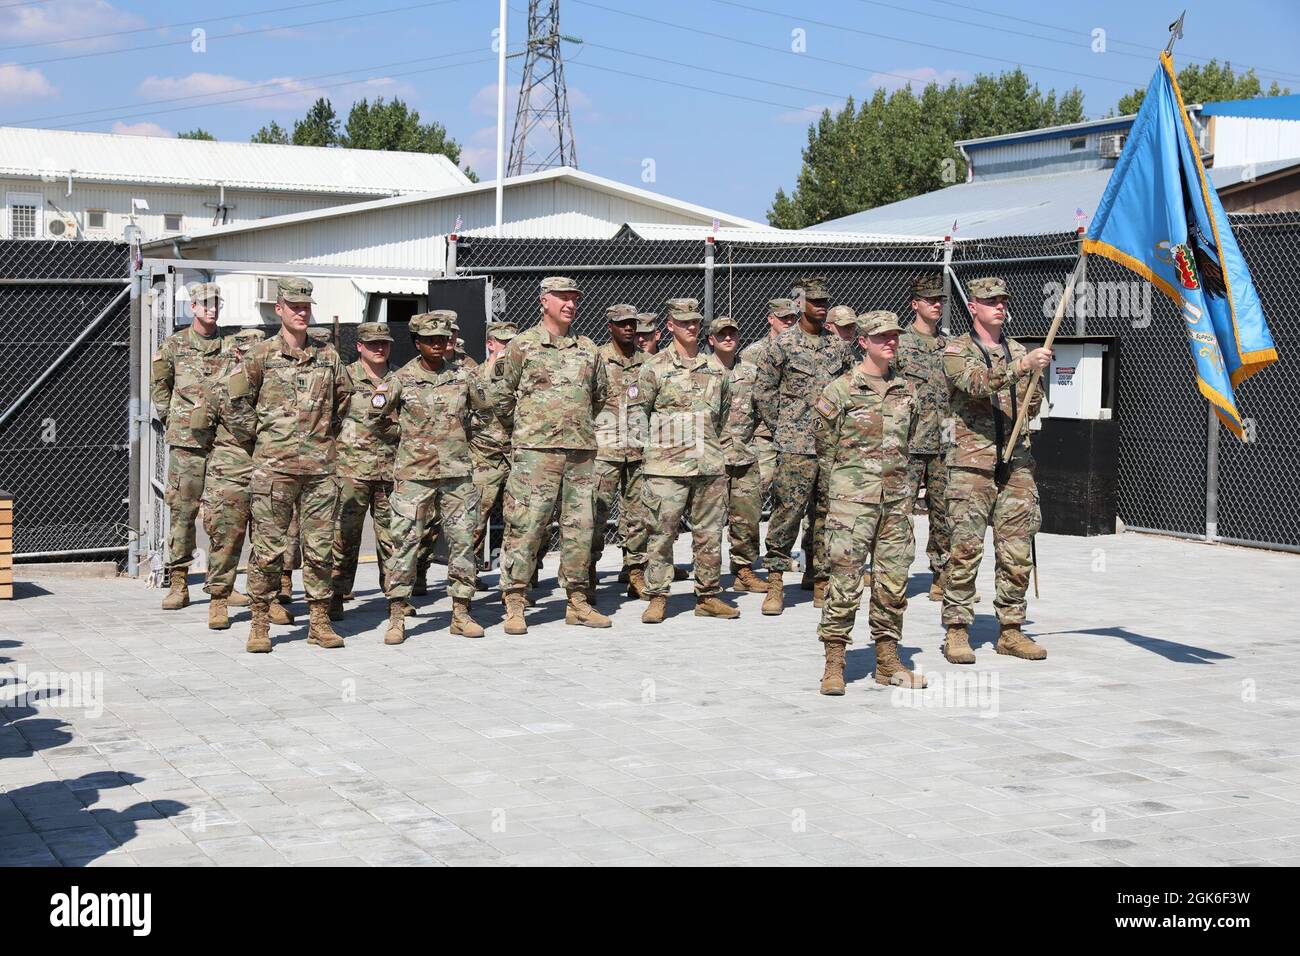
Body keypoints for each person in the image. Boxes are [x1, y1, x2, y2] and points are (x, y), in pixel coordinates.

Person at [229, 277, 349, 653]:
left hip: (319, 471)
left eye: (306, 306)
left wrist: (323, 437)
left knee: (320, 547)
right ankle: (260, 623)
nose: (301, 312)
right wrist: (264, 438)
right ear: (278, 309)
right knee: (268, 548)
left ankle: (319, 621)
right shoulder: (261, 355)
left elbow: (344, 399)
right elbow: (235, 404)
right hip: (274, 469)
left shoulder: (327, 355)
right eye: (293, 306)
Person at [813, 311, 927, 695]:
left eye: (894, 336)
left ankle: (887, 660)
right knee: (844, 583)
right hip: (852, 504)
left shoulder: (907, 391)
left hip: (895, 503)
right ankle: (834, 662)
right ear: (862, 341)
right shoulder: (840, 390)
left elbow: (908, 442)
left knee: (893, 584)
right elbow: (824, 447)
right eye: (881, 337)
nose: (890, 342)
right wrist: (846, 487)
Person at [940, 277, 1052, 664]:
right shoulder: (957, 349)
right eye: (990, 302)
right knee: (966, 549)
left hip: (1016, 462)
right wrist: (1023, 367)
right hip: (972, 464)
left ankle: (1011, 629)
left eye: (1003, 301)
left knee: (1017, 549)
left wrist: (1033, 387)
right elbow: (973, 383)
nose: (999, 307)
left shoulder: (1018, 349)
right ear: (973, 307)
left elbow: (1033, 403)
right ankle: (956, 630)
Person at [493, 276, 610, 635]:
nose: (570, 304)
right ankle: (514, 601)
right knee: (525, 526)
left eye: (574, 298)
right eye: (562, 297)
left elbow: (599, 396)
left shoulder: (588, 349)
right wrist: (530, 431)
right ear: (544, 301)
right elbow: (500, 397)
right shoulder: (522, 346)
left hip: (579, 454)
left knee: (580, 529)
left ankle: (576, 600)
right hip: (535, 455)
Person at [375, 311, 486, 644]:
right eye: (431, 340)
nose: (439, 344)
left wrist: (466, 442)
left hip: (457, 474)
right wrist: (406, 437)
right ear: (417, 342)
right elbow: (375, 416)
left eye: (443, 339)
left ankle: (461, 613)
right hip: (414, 475)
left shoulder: (464, 376)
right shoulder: (400, 379)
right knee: (405, 543)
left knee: (463, 542)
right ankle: (396, 615)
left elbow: (485, 413)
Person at [631, 300, 739, 624]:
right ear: (670, 326)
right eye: (683, 322)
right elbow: (637, 412)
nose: (691, 327)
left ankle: (707, 595)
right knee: (661, 533)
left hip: (707, 465)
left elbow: (721, 414)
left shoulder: (716, 370)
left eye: (695, 322)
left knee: (709, 533)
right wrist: (654, 449)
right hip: (666, 468)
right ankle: (658, 596)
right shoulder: (654, 367)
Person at [755, 276, 853, 615]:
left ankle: (821, 579)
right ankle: (775, 581)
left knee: (826, 514)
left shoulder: (838, 347)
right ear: (800, 305)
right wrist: (783, 427)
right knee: (787, 514)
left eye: (826, 301)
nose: (822, 306)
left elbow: (851, 389)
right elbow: (764, 392)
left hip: (830, 448)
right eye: (815, 301)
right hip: (795, 446)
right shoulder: (782, 345)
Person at [151, 281, 225, 610]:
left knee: (225, 515)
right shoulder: (175, 345)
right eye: (204, 303)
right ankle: (179, 582)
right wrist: (171, 417)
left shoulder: (230, 346)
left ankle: (221, 583)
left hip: (223, 442)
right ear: (192, 307)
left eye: (215, 303)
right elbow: (159, 383)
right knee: (183, 512)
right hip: (187, 443)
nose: (211, 308)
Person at [328, 322, 398, 621]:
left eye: (383, 343)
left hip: (390, 470)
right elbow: (329, 415)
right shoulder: (344, 376)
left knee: (393, 538)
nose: (379, 348)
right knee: (345, 536)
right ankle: (336, 595)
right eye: (372, 344)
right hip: (351, 469)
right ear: (359, 347)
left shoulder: (399, 379)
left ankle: (396, 598)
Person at [201, 327, 264, 629]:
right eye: (247, 352)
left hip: (267, 472)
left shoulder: (273, 388)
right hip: (230, 474)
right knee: (226, 540)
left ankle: (268, 600)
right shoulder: (219, 387)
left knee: (267, 543)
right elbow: (199, 430)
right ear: (237, 354)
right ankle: (218, 600)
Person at [896, 274, 954, 602]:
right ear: (914, 304)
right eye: (930, 300)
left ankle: (941, 574)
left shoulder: (951, 346)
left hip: (945, 441)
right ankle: (894, 574)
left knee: (944, 511)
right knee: (899, 511)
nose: (936, 305)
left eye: (940, 300)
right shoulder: (900, 344)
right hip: (909, 440)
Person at [592, 303, 649, 601]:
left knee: (638, 516)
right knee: (596, 513)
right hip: (605, 451)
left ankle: (635, 572)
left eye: (632, 323)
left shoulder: (648, 362)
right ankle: (588, 572)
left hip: (639, 451)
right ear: (610, 326)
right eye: (622, 323)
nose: (629, 328)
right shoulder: (597, 359)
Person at [708, 316, 765, 594]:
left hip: (743, 455)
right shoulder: (702, 370)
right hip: (711, 457)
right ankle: (708, 575)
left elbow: (762, 410)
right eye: (722, 335)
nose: (728, 338)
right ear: (711, 340)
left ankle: (743, 570)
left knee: (747, 516)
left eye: (732, 334)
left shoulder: (752, 372)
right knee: (708, 521)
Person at [470, 321, 518, 582]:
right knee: (476, 519)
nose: (510, 348)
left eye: (513, 343)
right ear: (491, 344)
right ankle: (469, 574)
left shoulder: (520, 375)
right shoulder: (474, 376)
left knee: (518, 520)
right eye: (504, 342)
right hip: (484, 455)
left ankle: (514, 582)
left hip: (514, 453)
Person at [741, 298, 799, 497]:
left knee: (791, 494)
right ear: (770, 319)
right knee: (756, 490)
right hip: (764, 433)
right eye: (784, 318)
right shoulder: (754, 353)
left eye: (792, 317)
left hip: (795, 434)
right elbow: (747, 395)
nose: (789, 322)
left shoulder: (800, 351)